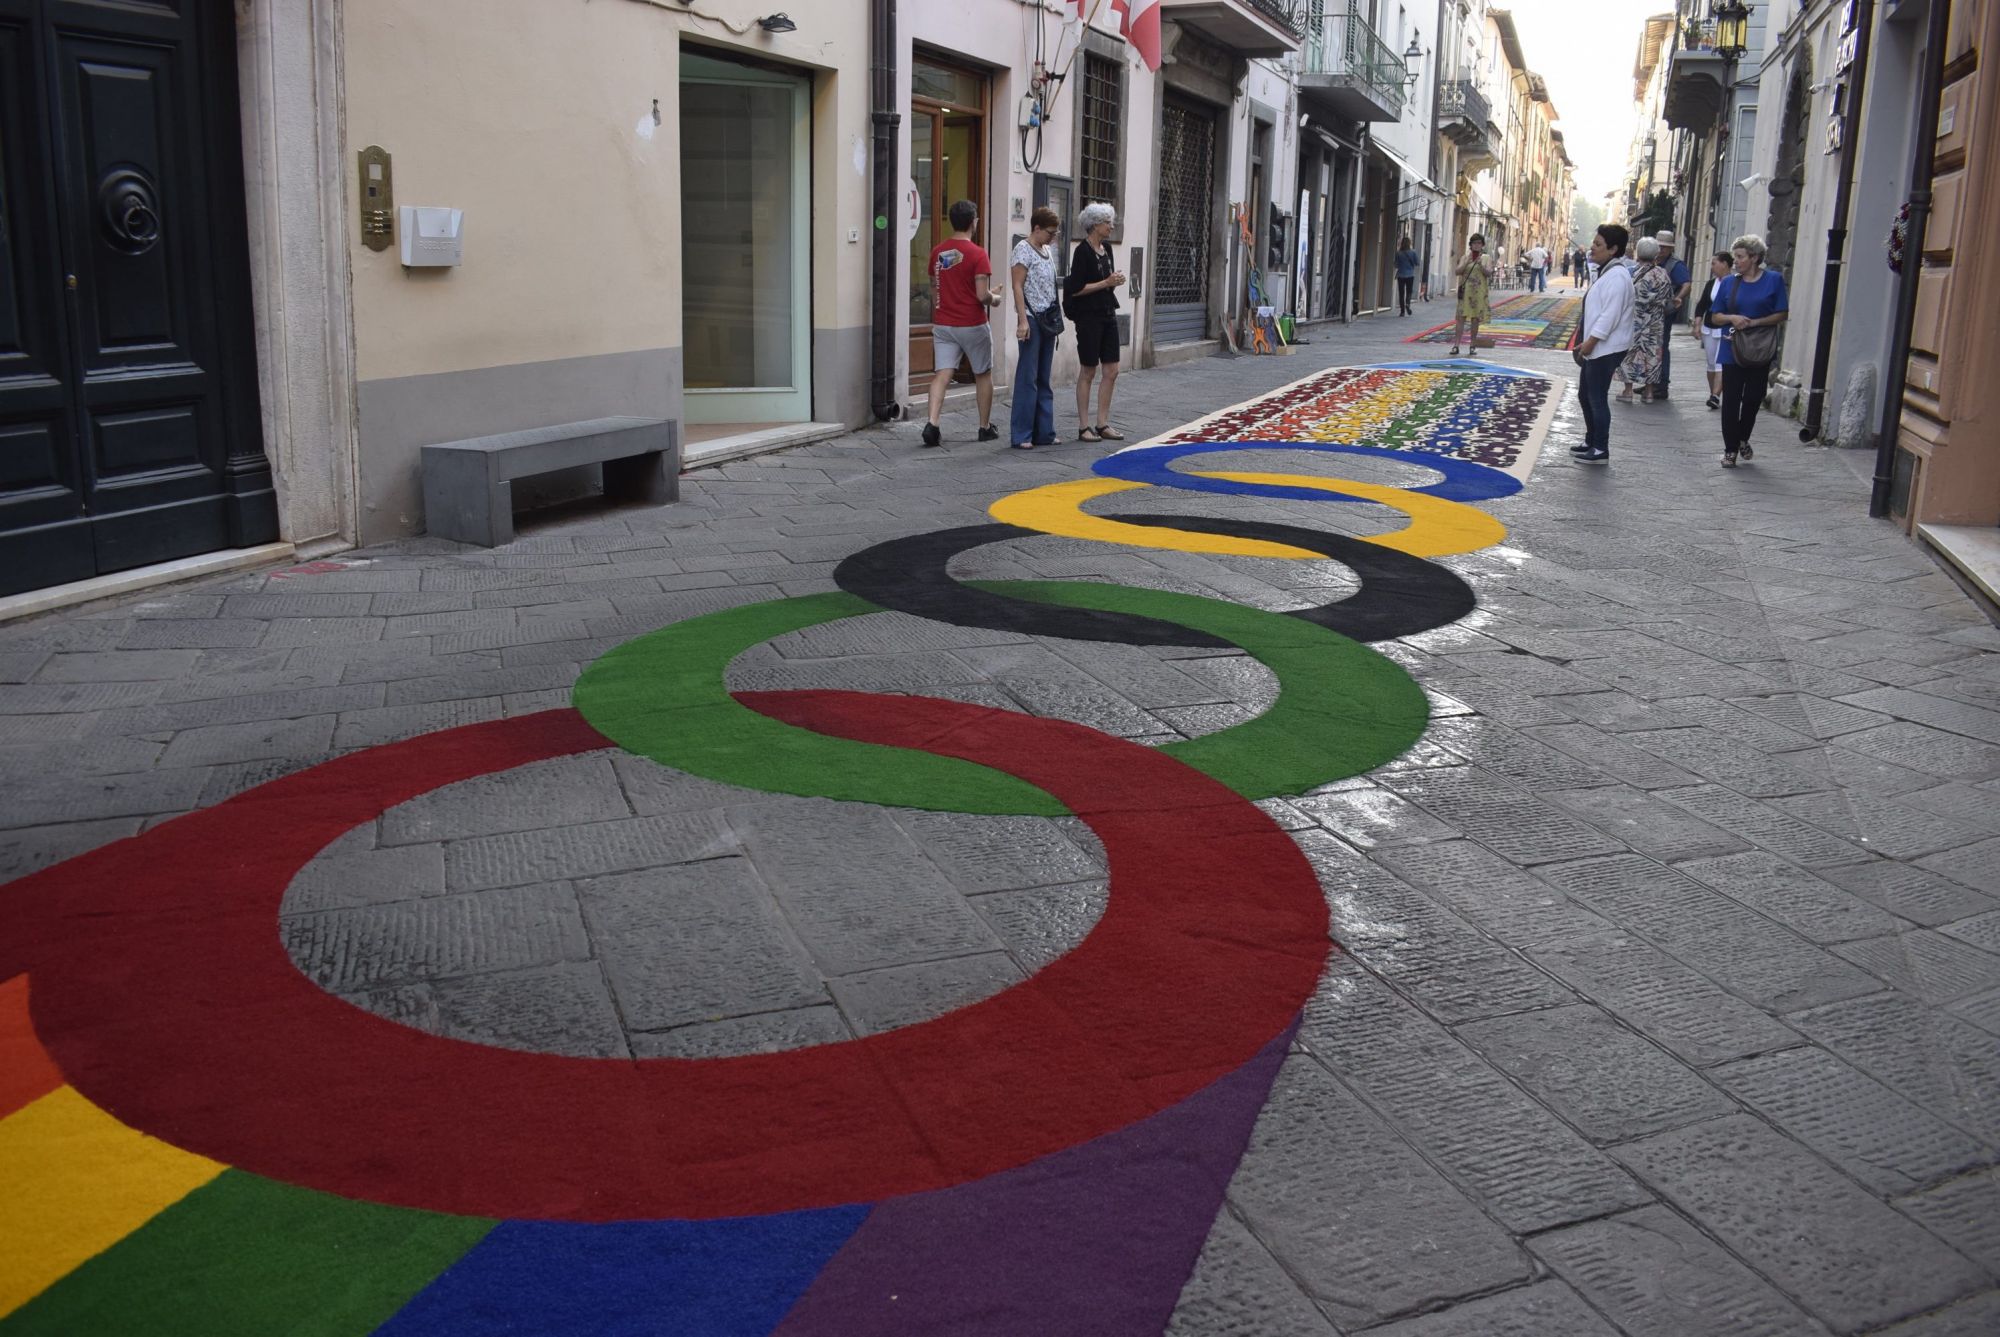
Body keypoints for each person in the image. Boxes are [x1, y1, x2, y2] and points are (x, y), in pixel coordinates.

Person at [920, 200, 1002, 449]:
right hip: (972, 323)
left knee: (942, 374)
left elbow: (935, 288)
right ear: (973, 222)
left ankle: (932, 423)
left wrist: (944, 305)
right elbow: (981, 296)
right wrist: (994, 298)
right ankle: (984, 427)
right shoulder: (978, 254)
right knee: (983, 374)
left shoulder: (938, 251)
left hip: (944, 322)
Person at [1706, 233, 1790, 468]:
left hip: (1761, 348)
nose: (1736, 262)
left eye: (1741, 257)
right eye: (1735, 257)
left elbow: (1782, 313)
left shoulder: (1773, 280)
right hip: (1732, 348)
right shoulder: (1730, 283)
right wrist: (1732, 317)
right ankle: (1730, 449)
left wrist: (1754, 322)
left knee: (1753, 398)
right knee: (1731, 400)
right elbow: (1715, 316)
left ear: (1754, 258)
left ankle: (1743, 436)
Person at [1570, 224, 1635, 463]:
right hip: (1597, 346)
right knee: (1585, 395)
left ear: (1613, 248)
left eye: (1598, 245)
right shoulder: (1608, 271)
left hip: (1605, 347)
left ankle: (1600, 449)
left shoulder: (1617, 276)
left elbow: (1610, 315)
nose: (1592, 249)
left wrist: (1591, 341)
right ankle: (1591, 440)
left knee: (1596, 397)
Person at [1064, 202, 1127, 443]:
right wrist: (1106, 283)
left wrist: (1114, 280)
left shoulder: (1107, 249)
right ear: (1094, 225)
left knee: (1112, 370)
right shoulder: (1082, 252)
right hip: (1088, 318)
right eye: (1107, 222)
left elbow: (1106, 280)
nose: (1111, 226)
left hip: (1108, 313)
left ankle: (1103, 423)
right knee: (1088, 370)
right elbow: (1076, 289)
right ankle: (1083, 426)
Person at [1008, 207, 1063, 450]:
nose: (1053, 237)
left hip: (1047, 319)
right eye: (1050, 232)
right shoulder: (1022, 250)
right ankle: (1022, 434)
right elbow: (1017, 286)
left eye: (1056, 233)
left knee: (1043, 376)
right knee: (1027, 378)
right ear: (1037, 228)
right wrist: (1022, 320)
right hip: (1031, 318)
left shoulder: (1047, 250)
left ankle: (1044, 432)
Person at [1616, 236, 1671, 404]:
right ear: (1656, 255)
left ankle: (1628, 390)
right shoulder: (1662, 274)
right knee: (1653, 355)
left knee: (1630, 354)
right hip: (1655, 322)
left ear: (1638, 254)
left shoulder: (1631, 272)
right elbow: (1668, 296)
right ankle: (1648, 393)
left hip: (1634, 320)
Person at [1690, 250, 1732, 410]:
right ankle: (1712, 393)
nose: (1712, 267)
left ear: (1725, 264)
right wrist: (1697, 324)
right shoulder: (1711, 283)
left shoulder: (1735, 282)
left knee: (1721, 363)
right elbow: (1702, 305)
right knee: (1711, 363)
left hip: (1725, 328)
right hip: (1709, 328)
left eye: (1714, 263)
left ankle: (1715, 395)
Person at [1655, 231, 1692, 398]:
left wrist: (1678, 298)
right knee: (1652, 346)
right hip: (1653, 311)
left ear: (1670, 249)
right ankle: (1652, 382)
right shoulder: (1654, 261)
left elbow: (1686, 284)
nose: (1661, 249)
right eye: (1659, 246)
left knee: (1662, 346)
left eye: (1665, 247)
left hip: (1665, 310)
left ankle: (1662, 384)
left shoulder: (1676, 265)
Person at [1449, 233, 1493, 357]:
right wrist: (1466, 262)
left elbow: (1489, 273)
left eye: (1479, 243)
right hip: (1466, 291)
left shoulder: (1486, 258)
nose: (1477, 245)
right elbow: (1457, 271)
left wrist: (1481, 265)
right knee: (1460, 318)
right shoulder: (1465, 257)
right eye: (1474, 243)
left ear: (1482, 245)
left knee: (1475, 319)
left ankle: (1472, 345)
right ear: (1471, 245)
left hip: (1479, 292)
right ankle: (1456, 345)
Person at [1394, 236, 1420, 316]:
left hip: (1401, 275)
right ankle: (1408, 304)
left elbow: (1396, 265)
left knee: (1401, 293)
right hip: (1410, 275)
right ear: (1409, 243)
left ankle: (1402, 311)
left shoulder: (1398, 253)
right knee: (1409, 291)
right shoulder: (1413, 252)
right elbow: (1417, 263)